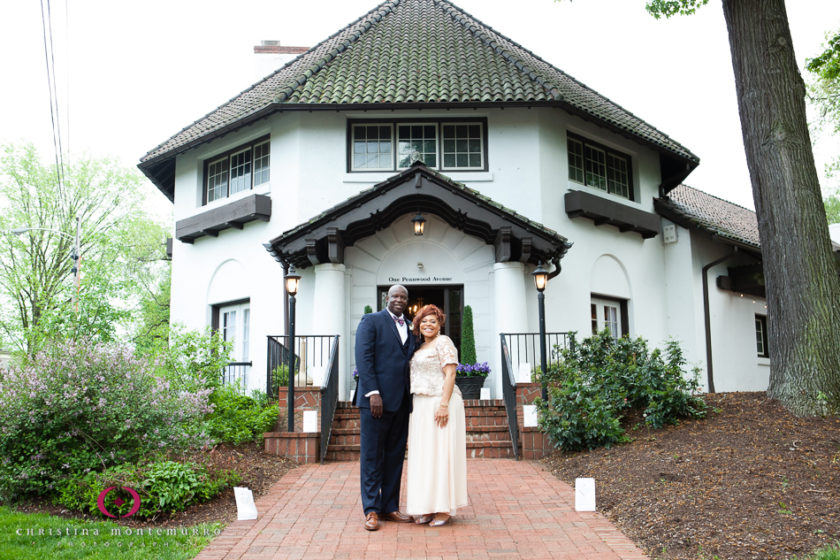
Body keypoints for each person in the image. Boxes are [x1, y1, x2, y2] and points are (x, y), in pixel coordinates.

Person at [354, 284, 416, 531]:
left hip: (401, 403)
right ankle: (371, 509)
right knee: (372, 457)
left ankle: (390, 506)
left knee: (395, 456)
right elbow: (364, 357)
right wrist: (373, 392)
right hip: (375, 403)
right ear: (386, 298)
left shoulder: (410, 327)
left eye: (403, 297)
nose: (399, 300)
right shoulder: (371, 321)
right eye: (395, 296)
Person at [405, 304, 468, 527]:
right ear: (418, 324)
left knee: (441, 455)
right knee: (424, 457)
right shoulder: (419, 346)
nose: (428, 325)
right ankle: (425, 507)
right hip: (420, 404)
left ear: (440, 324)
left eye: (433, 321)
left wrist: (443, 404)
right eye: (424, 321)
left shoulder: (444, 342)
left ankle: (443, 509)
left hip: (440, 402)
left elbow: (450, 373)